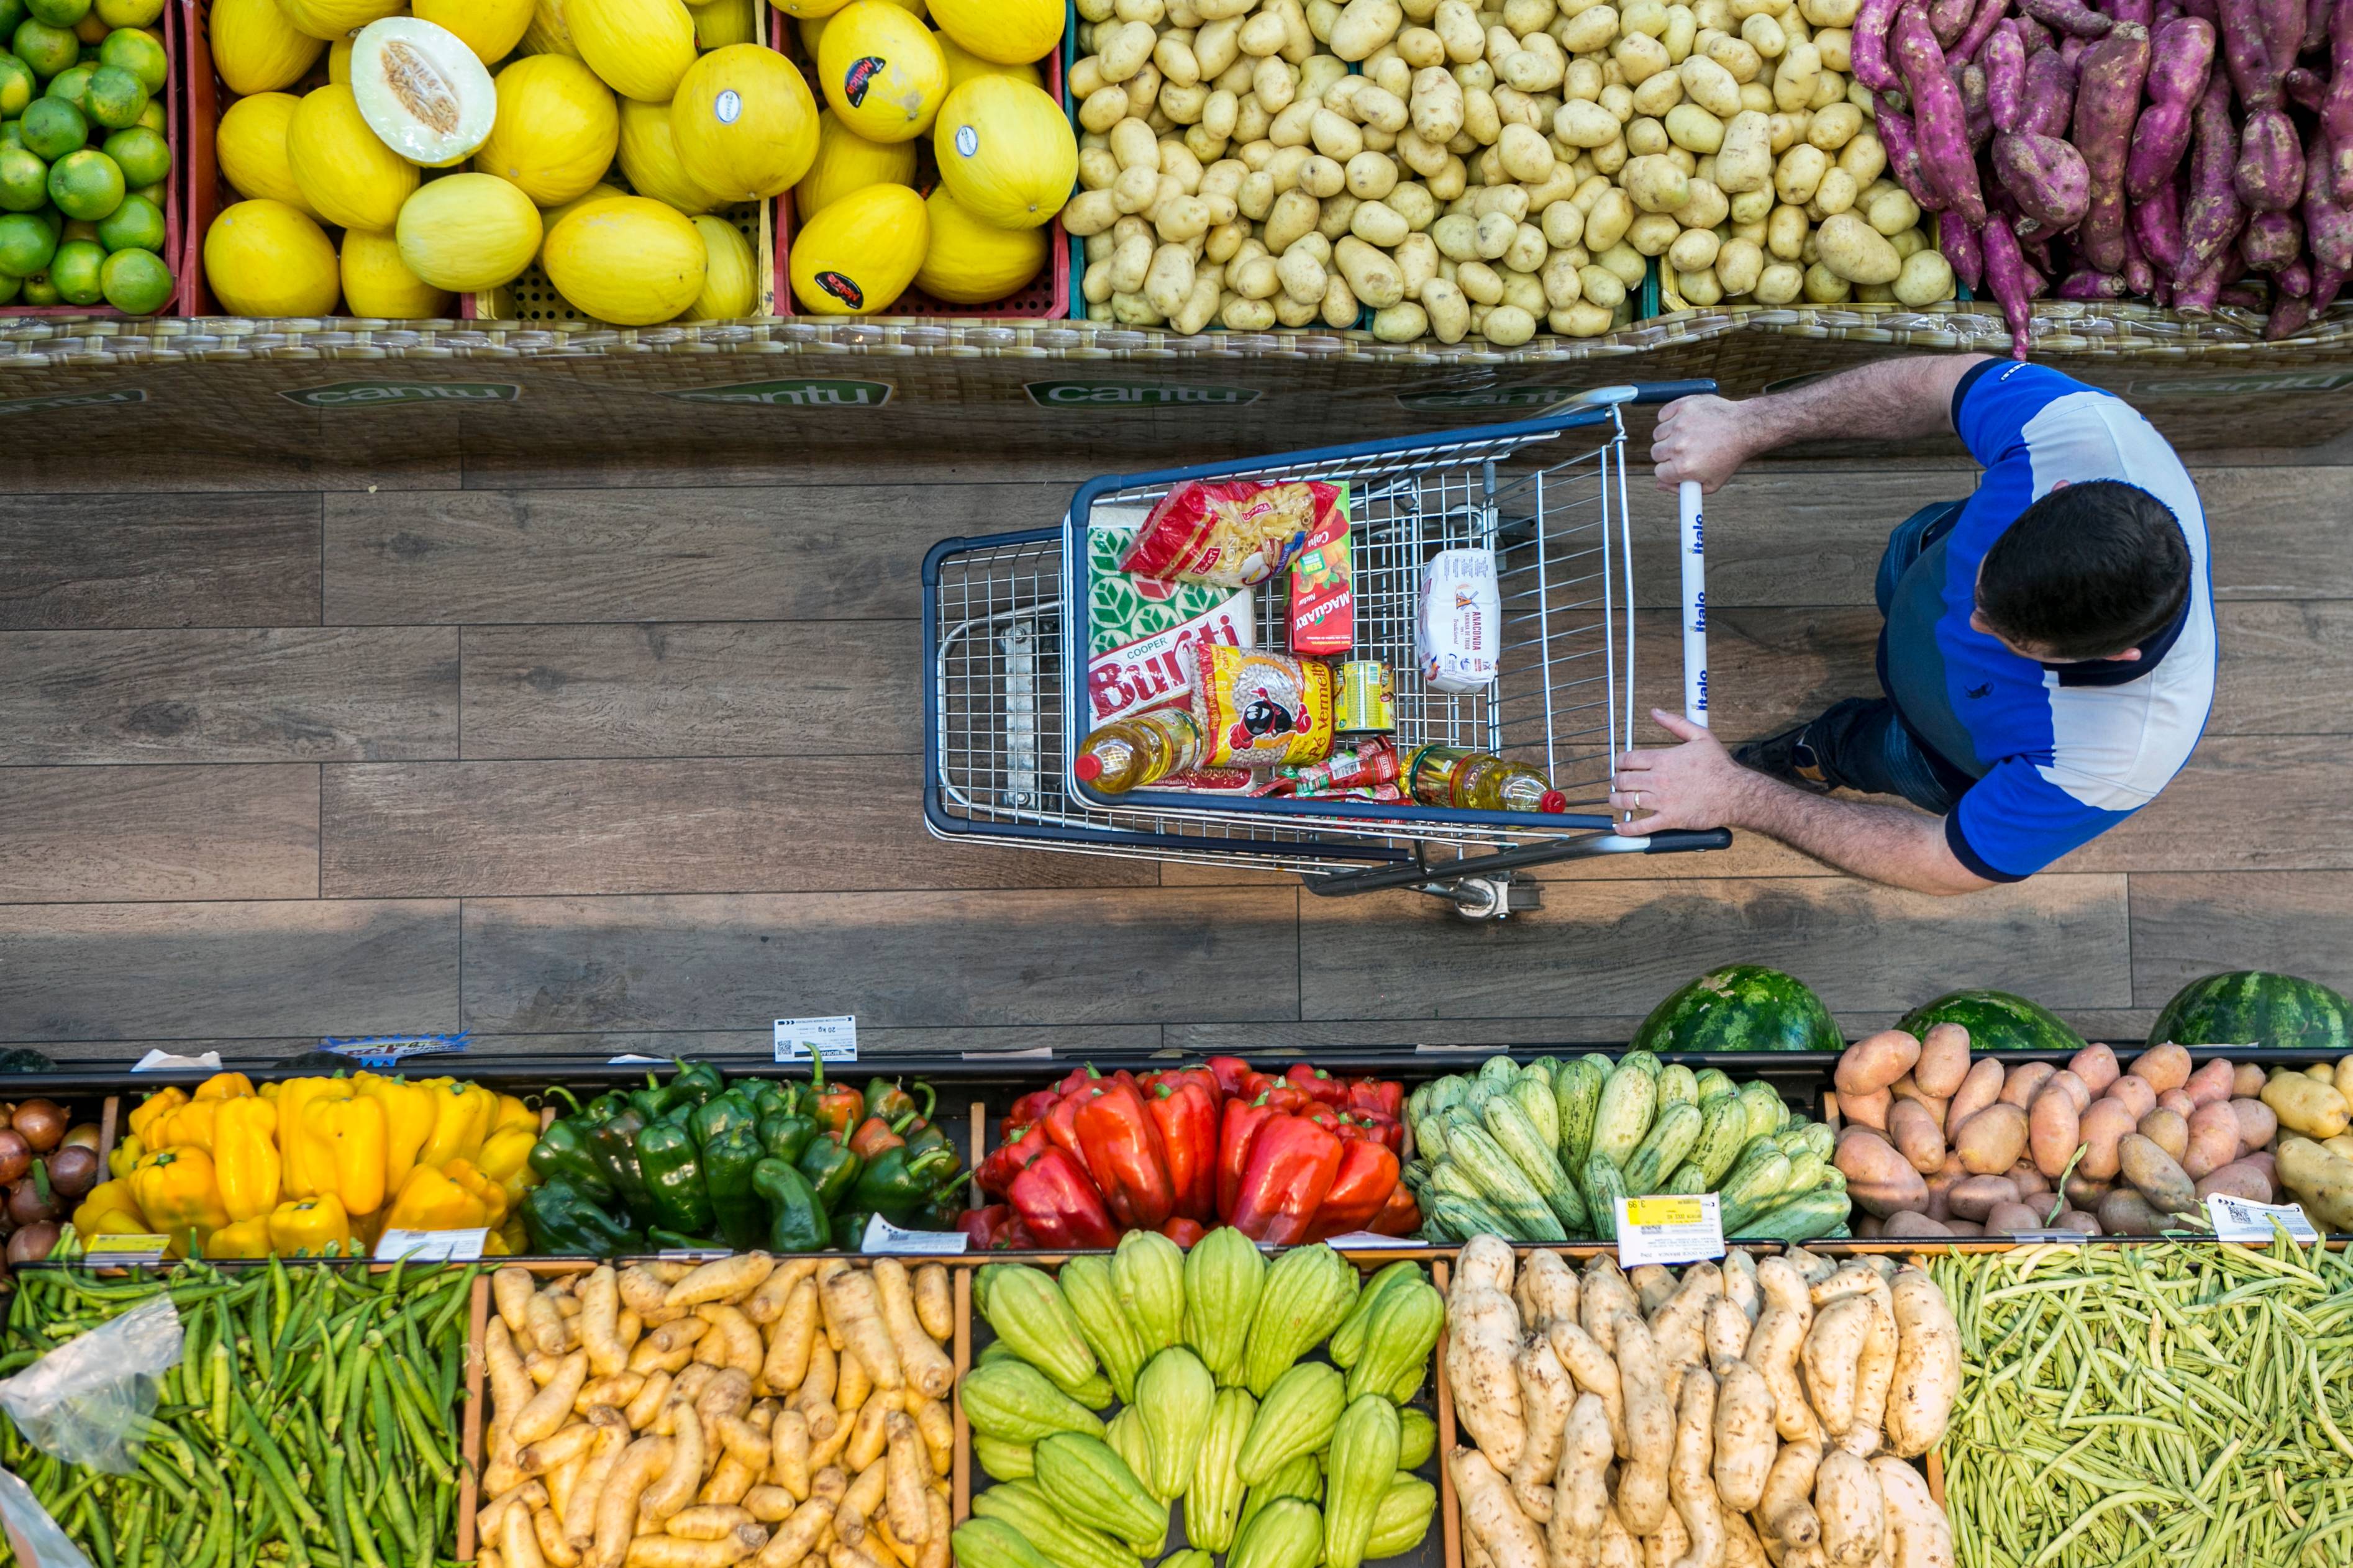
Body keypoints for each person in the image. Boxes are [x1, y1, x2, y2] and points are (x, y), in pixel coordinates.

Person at [1614, 355, 2215, 895]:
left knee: (1870, 751)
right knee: (1906, 562)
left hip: (1940, 748)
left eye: (2011, 642)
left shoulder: (2118, 755)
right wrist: (1747, 424)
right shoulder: (2078, 429)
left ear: (2116, 658)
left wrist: (1735, 795)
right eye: (1982, 588)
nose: (1969, 622)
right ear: (2056, 493)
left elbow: (1940, 860)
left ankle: (1821, 754)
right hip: (1922, 565)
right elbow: (1934, 386)